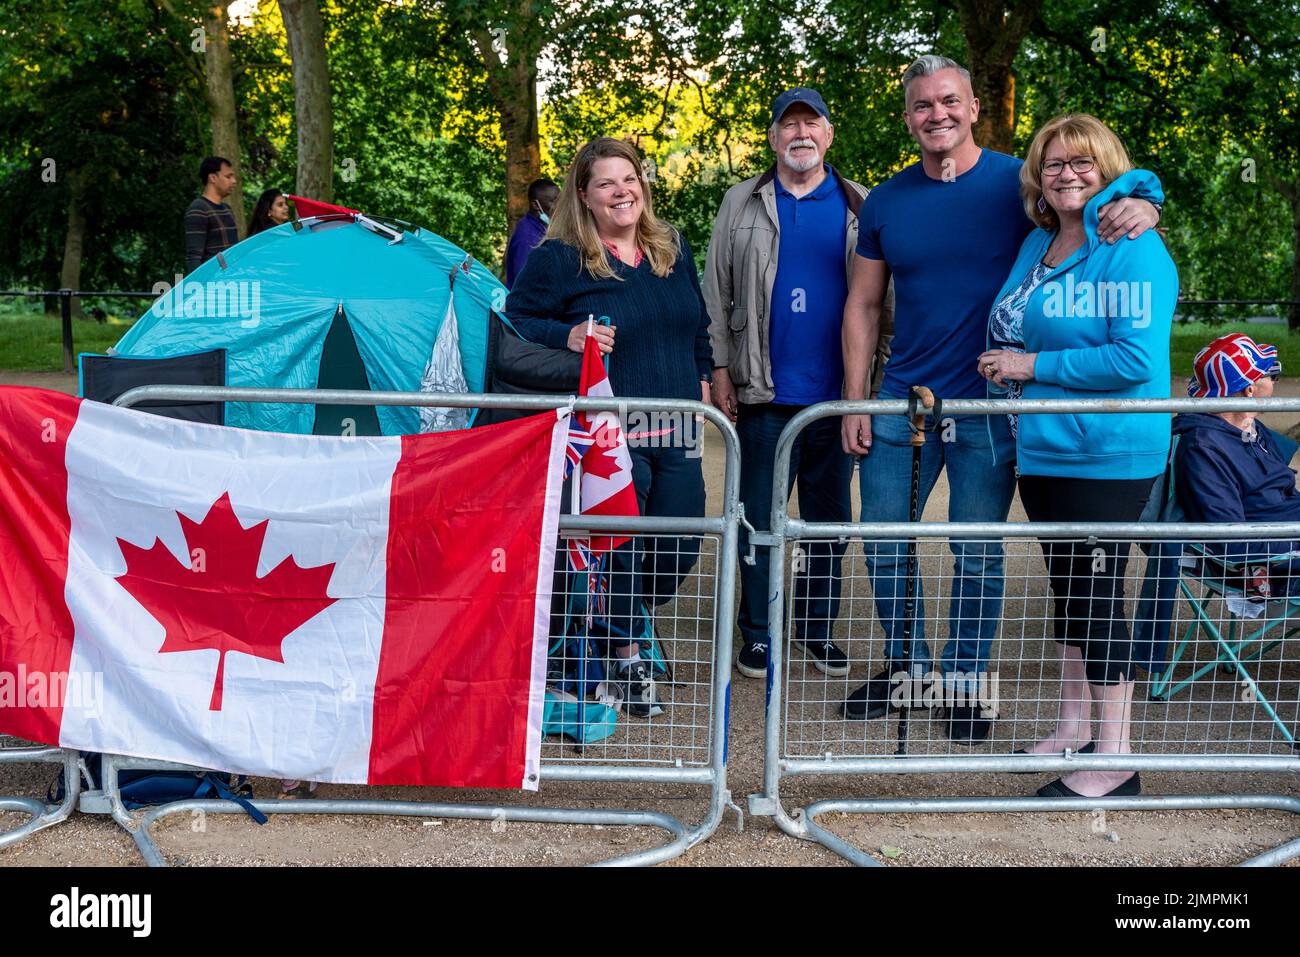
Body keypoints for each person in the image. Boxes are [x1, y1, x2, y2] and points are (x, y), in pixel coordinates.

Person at [840, 55, 1162, 744]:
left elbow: (1094, 192)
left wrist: (1146, 199)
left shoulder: (1022, 183)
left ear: (975, 106)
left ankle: (964, 681)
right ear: (908, 117)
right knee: (886, 543)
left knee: (977, 550)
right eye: (923, 105)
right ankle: (910, 670)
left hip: (988, 405)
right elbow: (863, 306)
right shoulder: (887, 202)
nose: (938, 114)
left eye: (950, 100)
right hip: (904, 398)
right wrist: (855, 399)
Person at [977, 113, 1178, 797]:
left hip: (1107, 450)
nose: (1067, 173)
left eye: (1082, 163)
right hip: (1045, 447)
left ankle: (1115, 755)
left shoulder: (1131, 244)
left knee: (1096, 596)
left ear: (1108, 169)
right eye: (1054, 162)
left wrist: (1030, 363)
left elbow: (1134, 358)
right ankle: (1072, 726)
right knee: (1068, 590)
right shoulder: (1040, 241)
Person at [506, 137, 713, 717]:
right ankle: (623, 656)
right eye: (606, 183)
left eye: (630, 179)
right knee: (617, 546)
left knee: (680, 542)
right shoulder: (560, 257)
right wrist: (566, 336)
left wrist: (701, 376)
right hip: (608, 428)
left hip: (678, 423)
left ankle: (608, 625)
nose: (622, 191)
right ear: (584, 195)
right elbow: (515, 319)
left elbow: (698, 322)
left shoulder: (672, 247)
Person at [704, 87, 890, 679]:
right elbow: (717, 292)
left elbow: (886, 301)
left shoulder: (863, 203)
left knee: (825, 524)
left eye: (812, 124)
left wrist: (872, 381)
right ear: (773, 138)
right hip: (763, 392)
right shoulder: (743, 200)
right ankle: (757, 633)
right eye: (789, 126)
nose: (800, 134)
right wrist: (720, 368)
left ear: (829, 135)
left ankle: (814, 629)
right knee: (757, 518)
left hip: (838, 397)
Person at [1174, 334, 1299, 575]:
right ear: (1250, 389)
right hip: (1276, 554)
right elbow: (1233, 541)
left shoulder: (1247, 427)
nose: (1275, 382)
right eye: (1272, 376)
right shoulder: (1203, 449)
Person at [185, 156, 240, 273]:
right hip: (212, 283)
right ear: (213, 178)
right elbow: (194, 258)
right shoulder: (198, 209)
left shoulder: (227, 209)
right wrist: (198, 288)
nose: (234, 181)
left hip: (232, 280)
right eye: (228, 176)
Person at [504, 179, 559, 288]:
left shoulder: (543, 229)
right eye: (554, 201)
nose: (559, 206)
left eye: (561, 201)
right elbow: (525, 284)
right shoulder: (527, 237)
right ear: (535, 205)